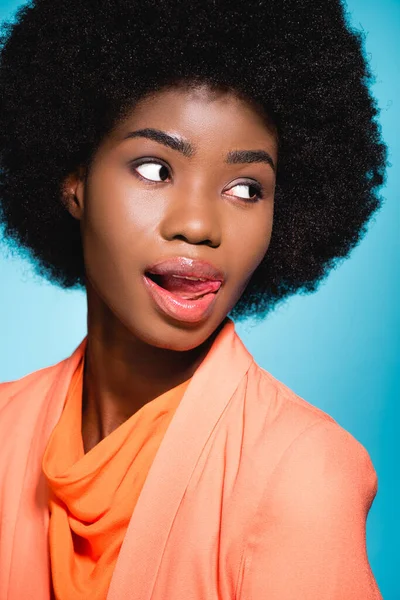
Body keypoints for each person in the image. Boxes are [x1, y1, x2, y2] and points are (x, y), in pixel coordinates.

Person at [0, 0, 386, 598]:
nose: (201, 225)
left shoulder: (302, 473)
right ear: (73, 181)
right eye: (155, 170)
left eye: (245, 187)